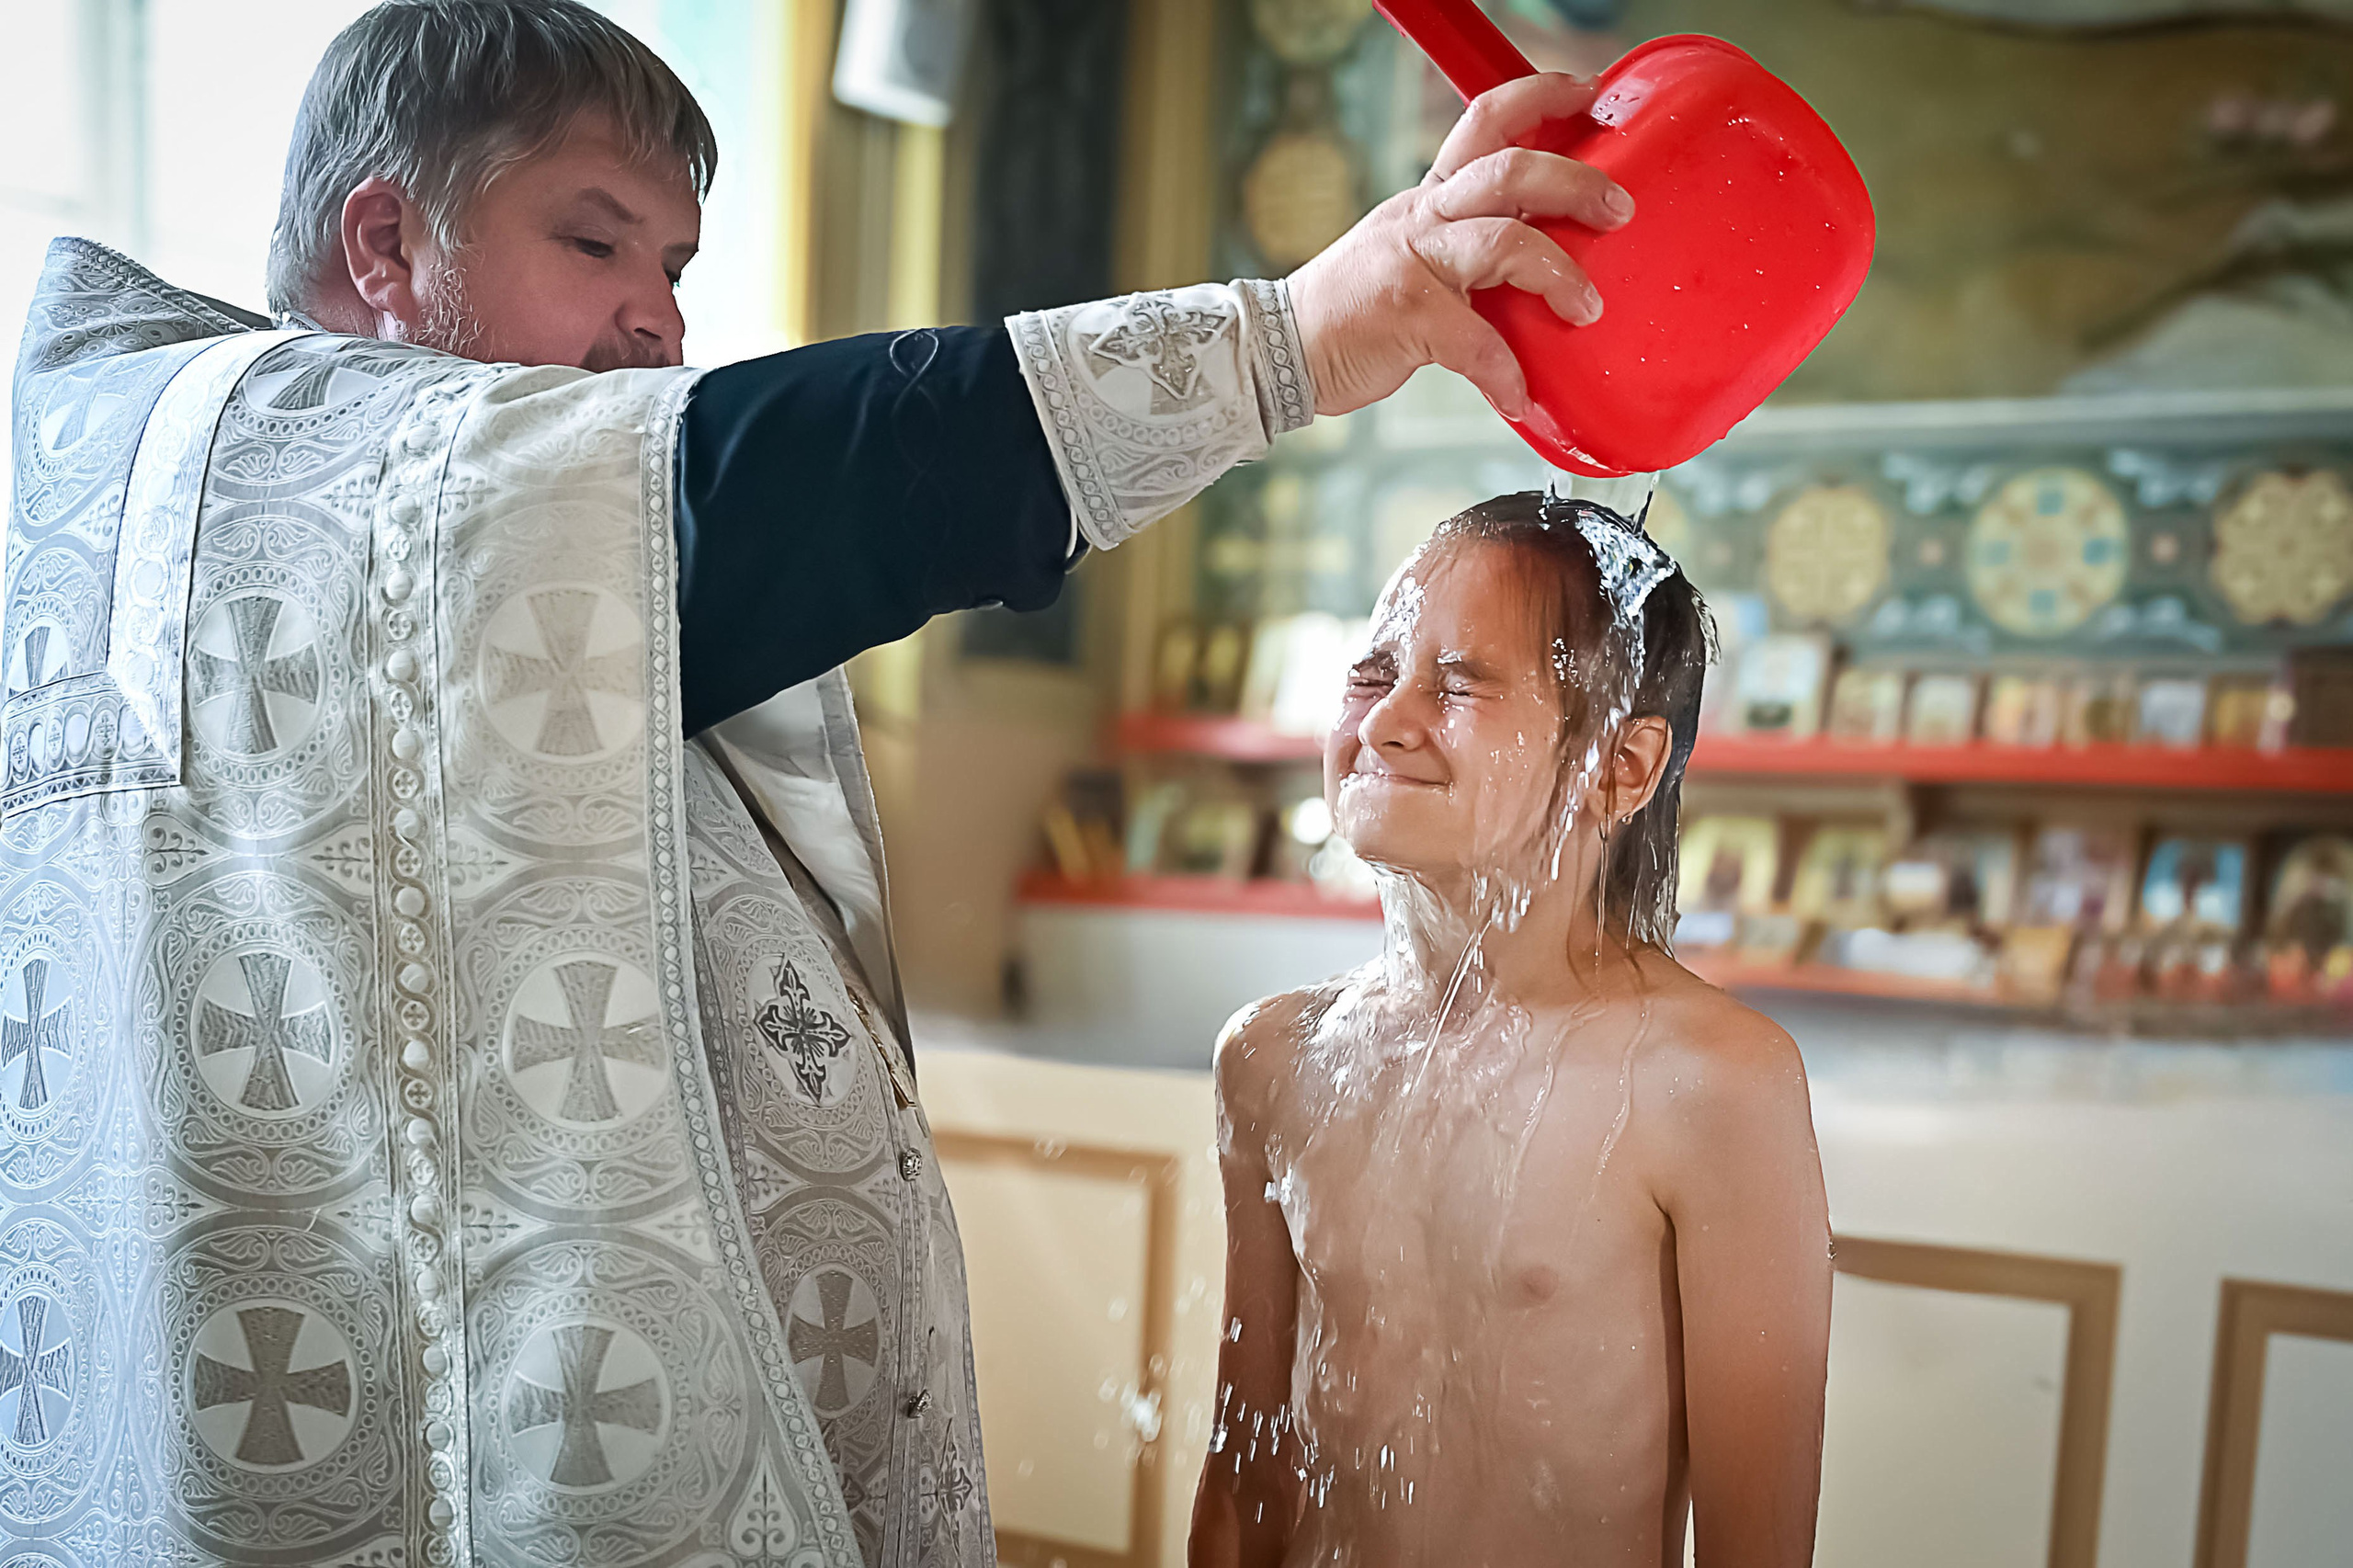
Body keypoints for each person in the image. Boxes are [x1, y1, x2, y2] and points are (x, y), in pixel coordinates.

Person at [0, 3, 1641, 1564]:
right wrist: (1290, 339)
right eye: (592, 241)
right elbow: (779, 483)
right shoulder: (270, 493)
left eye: (676, 265)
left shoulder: (456, 546)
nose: (657, 318)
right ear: (383, 247)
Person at [1193, 494, 1832, 1567]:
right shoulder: (1275, 1056)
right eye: (1370, 672)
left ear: (1619, 768)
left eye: (1456, 685)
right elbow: (1243, 1465)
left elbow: (1755, 1545)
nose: (1385, 719)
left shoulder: (1708, 1083)